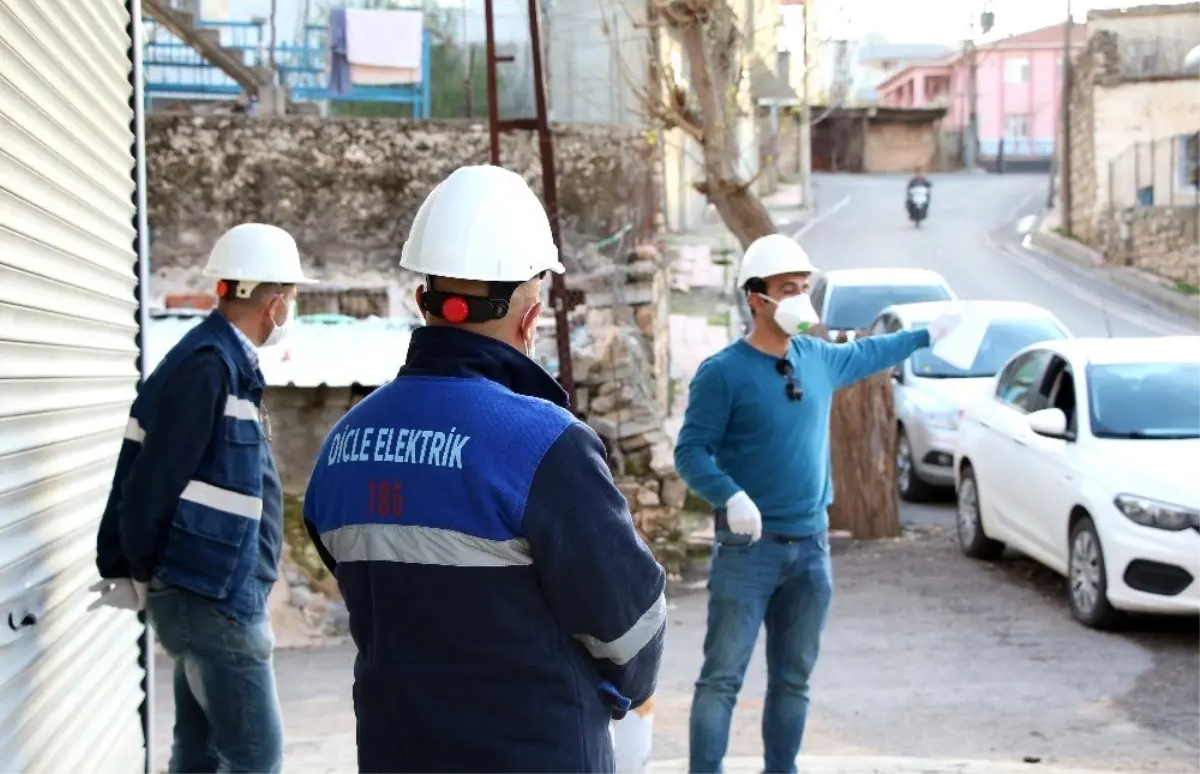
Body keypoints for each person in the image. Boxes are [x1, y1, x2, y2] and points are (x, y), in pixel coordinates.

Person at [302, 164, 668, 774]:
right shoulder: (547, 446)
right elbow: (632, 640)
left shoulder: (344, 444)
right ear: (529, 319)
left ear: (422, 303)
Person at [675, 234, 960, 774]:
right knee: (722, 679)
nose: (802, 299)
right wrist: (729, 495)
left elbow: (869, 352)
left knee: (793, 679)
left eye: (805, 288)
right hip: (747, 550)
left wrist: (925, 335)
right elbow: (690, 452)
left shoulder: (817, 358)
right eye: (789, 289)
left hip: (811, 549)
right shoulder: (723, 372)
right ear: (756, 297)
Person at [89, 223, 317, 774]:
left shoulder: (221, 364)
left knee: (201, 753)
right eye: (293, 298)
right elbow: (151, 483)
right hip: (212, 596)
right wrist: (141, 568)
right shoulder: (207, 368)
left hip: (210, 591)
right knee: (255, 758)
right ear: (277, 303)